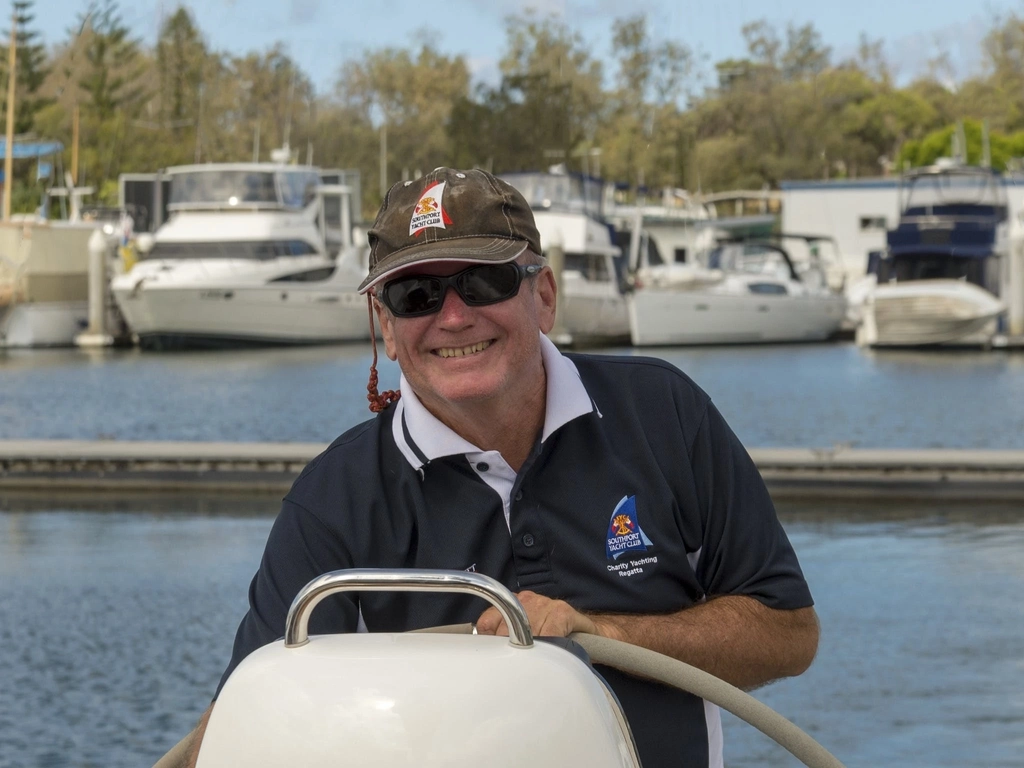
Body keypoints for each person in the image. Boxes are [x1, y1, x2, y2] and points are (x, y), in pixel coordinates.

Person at [183, 168, 819, 768]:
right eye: (417, 294)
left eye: (484, 282)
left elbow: (788, 632)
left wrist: (600, 632)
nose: (454, 316)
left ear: (542, 295)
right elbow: (252, 710)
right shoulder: (336, 497)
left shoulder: (663, 414)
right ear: (385, 324)